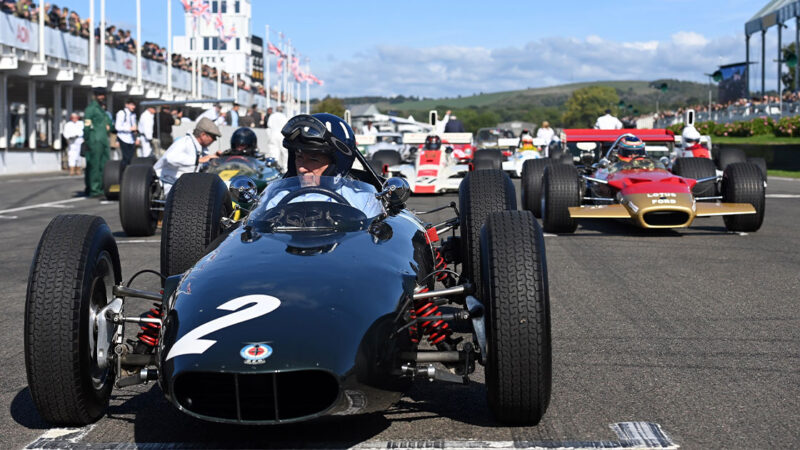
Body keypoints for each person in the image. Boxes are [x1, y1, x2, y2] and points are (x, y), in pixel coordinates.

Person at [266, 113, 383, 217]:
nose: (302, 168)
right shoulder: (277, 198)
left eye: (313, 160)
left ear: (336, 165)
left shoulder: (363, 201)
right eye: (299, 157)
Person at [153, 118, 221, 194]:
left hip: (181, 186)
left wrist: (213, 159)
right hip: (165, 184)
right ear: (203, 135)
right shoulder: (184, 142)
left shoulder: (200, 148)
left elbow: (199, 165)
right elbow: (170, 158)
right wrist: (197, 160)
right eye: (213, 137)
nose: (214, 140)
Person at [83, 87, 113, 197]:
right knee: (94, 165)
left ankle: (100, 187)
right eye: (100, 95)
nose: (102, 97)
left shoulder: (102, 109)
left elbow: (109, 123)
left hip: (103, 140)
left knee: (103, 165)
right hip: (94, 140)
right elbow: (86, 125)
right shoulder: (91, 108)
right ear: (95, 95)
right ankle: (93, 189)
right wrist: (87, 139)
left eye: (103, 95)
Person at [115, 98, 138, 167]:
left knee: (131, 158)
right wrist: (129, 129)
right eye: (132, 105)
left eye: (134, 105)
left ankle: (129, 174)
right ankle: (122, 174)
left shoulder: (133, 115)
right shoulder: (121, 113)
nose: (133, 107)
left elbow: (134, 126)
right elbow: (117, 127)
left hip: (131, 139)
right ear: (126, 105)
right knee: (125, 158)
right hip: (123, 138)